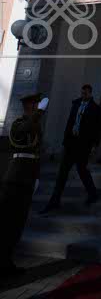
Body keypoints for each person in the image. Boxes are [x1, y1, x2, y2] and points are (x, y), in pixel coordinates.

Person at [0, 93, 49, 278]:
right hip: (15, 179)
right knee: (6, 223)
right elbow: (23, 132)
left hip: (27, 179)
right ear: (30, 106)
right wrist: (39, 113)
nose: (37, 107)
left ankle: (6, 262)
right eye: (35, 105)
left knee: (17, 225)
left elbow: (36, 154)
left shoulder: (34, 125)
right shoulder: (18, 124)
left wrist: (36, 177)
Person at [40, 84, 101, 213]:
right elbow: (70, 122)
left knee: (82, 170)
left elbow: (96, 128)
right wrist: (65, 141)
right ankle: (54, 200)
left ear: (90, 93)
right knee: (63, 172)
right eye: (82, 93)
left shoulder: (95, 108)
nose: (83, 95)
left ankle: (92, 193)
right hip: (71, 143)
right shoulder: (76, 104)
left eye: (85, 93)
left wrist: (94, 146)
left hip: (83, 145)